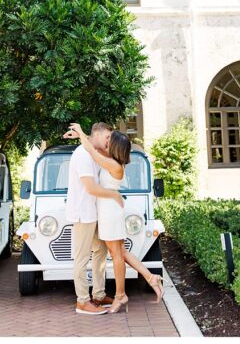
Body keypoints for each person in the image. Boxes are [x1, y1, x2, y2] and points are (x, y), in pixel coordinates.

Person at [67, 122, 166, 312]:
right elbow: (92, 149)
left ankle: (118, 295)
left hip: (108, 211)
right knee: (114, 252)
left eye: (110, 141)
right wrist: (84, 135)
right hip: (96, 210)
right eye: (107, 138)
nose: (107, 143)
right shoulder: (100, 157)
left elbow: (92, 148)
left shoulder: (110, 162)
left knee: (115, 253)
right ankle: (148, 278)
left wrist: (81, 132)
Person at [63, 121, 123, 315]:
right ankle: (82, 301)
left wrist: (82, 136)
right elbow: (91, 188)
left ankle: (98, 294)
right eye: (107, 137)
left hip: (94, 212)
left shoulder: (92, 152)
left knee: (100, 252)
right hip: (83, 212)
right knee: (81, 258)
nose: (109, 142)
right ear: (96, 135)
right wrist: (114, 194)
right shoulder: (82, 155)